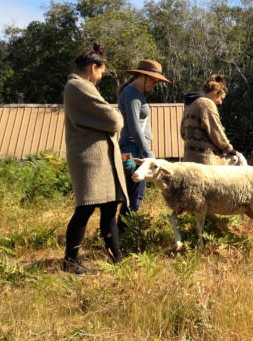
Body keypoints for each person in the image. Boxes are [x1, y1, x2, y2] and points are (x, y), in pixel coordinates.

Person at [62, 43, 128, 274]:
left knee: (110, 206)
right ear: (92, 67)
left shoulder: (79, 86)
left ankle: (116, 258)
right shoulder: (79, 86)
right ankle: (70, 262)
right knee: (86, 207)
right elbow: (114, 120)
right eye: (101, 71)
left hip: (100, 156)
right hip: (91, 158)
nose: (101, 77)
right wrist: (116, 117)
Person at [116, 58, 171, 228]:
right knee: (135, 193)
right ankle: (127, 231)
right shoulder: (132, 93)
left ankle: (124, 229)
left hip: (138, 148)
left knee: (134, 193)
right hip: (135, 148)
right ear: (143, 76)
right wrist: (148, 153)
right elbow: (133, 127)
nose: (155, 84)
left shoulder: (135, 92)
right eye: (154, 80)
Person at [181, 74, 238, 165]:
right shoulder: (207, 104)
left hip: (189, 159)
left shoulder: (190, 104)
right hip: (207, 162)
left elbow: (183, 133)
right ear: (215, 91)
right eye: (221, 98)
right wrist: (230, 150)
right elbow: (216, 132)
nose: (220, 102)